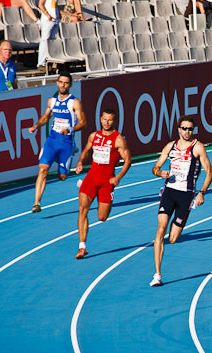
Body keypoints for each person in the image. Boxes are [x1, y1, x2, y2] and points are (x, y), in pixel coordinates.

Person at [150, 116, 212, 287]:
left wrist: (201, 193)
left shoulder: (197, 147)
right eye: (184, 128)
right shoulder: (170, 146)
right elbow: (155, 167)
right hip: (169, 192)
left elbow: (210, 173)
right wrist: (159, 173)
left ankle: (173, 233)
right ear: (178, 129)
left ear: (193, 130)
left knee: (172, 239)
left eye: (190, 129)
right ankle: (157, 274)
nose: (187, 132)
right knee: (160, 228)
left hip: (186, 196)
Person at [74, 109, 131, 259]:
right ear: (100, 119)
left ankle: (104, 198)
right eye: (104, 119)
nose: (106, 122)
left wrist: (118, 177)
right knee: (82, 209)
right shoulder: (94, 136)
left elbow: (128, 161)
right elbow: (86, 151)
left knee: (102, 217)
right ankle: (82, 247)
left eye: (110, 120)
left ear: (114, 121)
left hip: (107, 181)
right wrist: (80, 162)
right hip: (91, 178)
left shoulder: (118, 139)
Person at [28, 73, 86, 213]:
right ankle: (36, 203)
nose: (63, 85)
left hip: (66, 143)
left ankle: (71, 152)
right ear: (57, 83)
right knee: (43, 169)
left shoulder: (74, 102)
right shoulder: (52, 101)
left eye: (66, 83)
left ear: (70, 85)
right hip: (52, 140)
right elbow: (46, 117)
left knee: (63, 177)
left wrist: (70, 129)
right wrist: (36, 126)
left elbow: (83, 123)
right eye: (61, 82)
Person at [37, 0, 60, 71]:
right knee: (44, 41)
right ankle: (41, 63)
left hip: (55, 19)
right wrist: (47, 15)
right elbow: (40, 4)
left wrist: (58, 15)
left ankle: (51, 61)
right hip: (48, 20)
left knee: (53, 41)